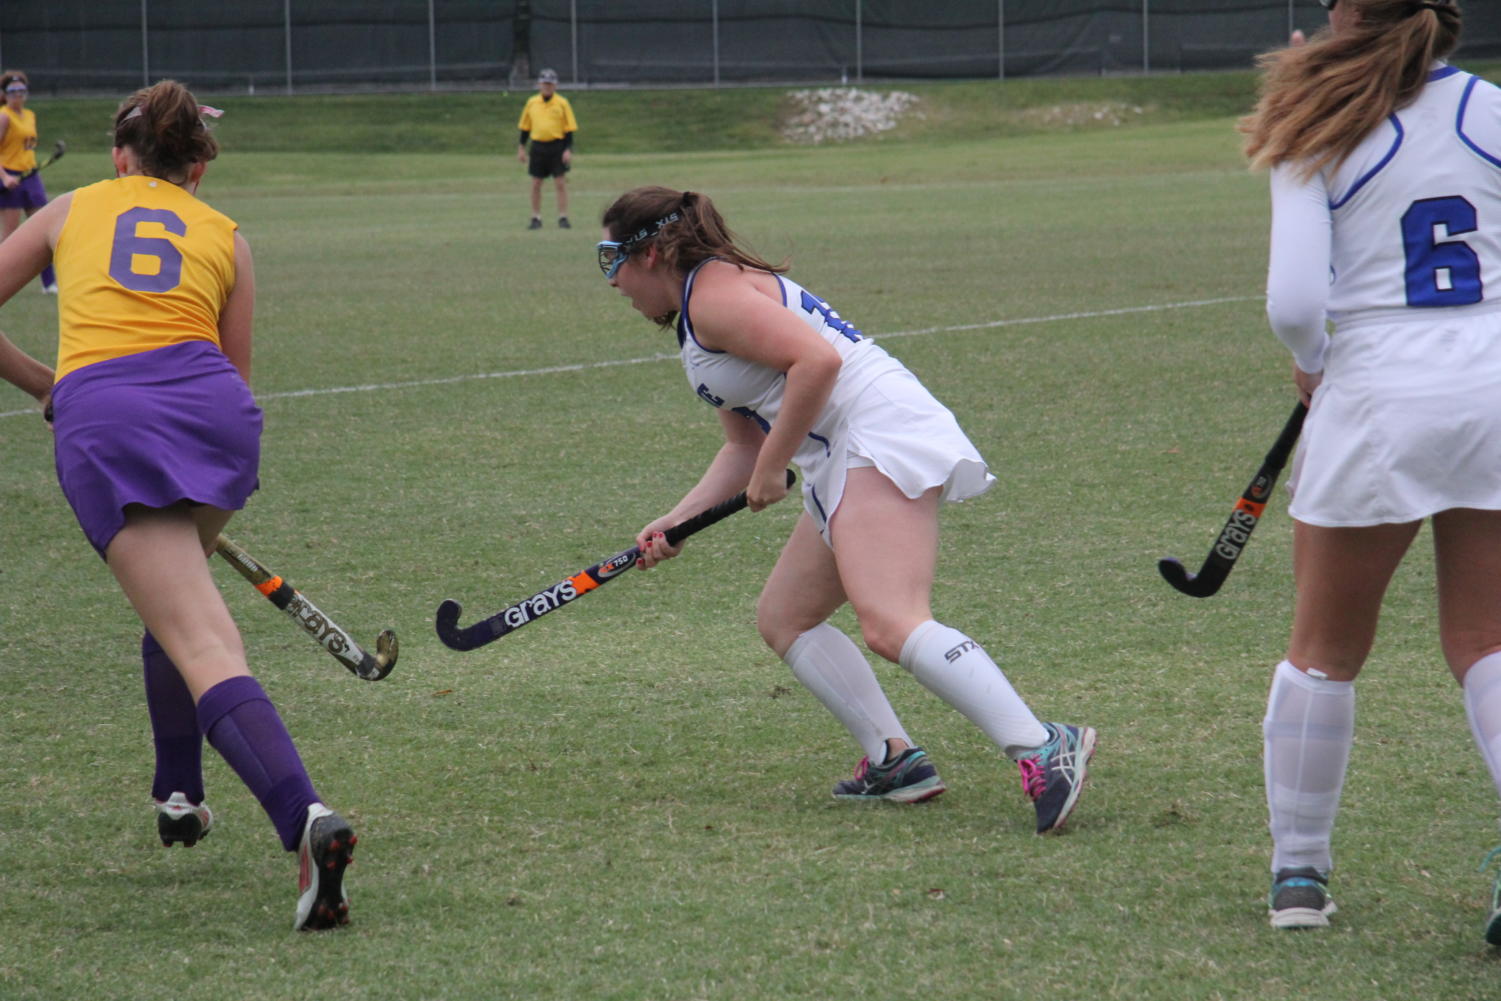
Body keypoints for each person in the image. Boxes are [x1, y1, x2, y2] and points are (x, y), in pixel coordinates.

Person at [597, 186, 1096, 833]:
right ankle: (894, 759)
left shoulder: (713, 297)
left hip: (874, 433)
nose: (611, 283)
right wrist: (676, 518)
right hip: (841, 451)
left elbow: (817, 360)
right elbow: (742, 445)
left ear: (653, 251)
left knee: (890, 622)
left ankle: (1041, 745)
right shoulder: (701, 309)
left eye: (612, 261)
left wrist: (778, 464)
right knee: (785, 617)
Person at [0, 80, 358, 931]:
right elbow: (236, 376)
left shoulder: (68, 211)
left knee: (196, 632)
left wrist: (48, 384)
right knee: (180, 601)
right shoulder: (227, 237)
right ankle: (179, 793)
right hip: (218, 420)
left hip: (109, 418)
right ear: (197, 167)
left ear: (120, 157)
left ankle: (304, 817)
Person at [1239, 0, 1501, 939]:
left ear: (1346, 16)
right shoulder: (1489, 106)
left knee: (1323, 648)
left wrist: (1313, 359)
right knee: (1485, 640)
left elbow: (1294, 300)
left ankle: (1297, 874)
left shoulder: (1317, 116)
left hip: (1380, 388)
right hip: (1494, 380)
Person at [0, 70, 59, 293]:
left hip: (30, 177)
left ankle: (49, 283)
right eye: (13, 92)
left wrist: (33, 172)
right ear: (5, 94)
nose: (18, 95)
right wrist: (5, 176)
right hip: (9, 178)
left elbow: (26, 149)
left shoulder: (30, 115)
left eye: (22, 91)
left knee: (46, 230)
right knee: (10, 237)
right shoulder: (4, 116)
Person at [516, 68, 577, 230]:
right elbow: (525, 127)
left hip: (557, 146)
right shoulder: (532, 102)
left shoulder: (562, 103)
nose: (547, 87)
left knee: (560, 183)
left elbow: (569, 128)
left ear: (555, 85)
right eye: (544, 84)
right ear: (539, 85)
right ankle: (536, 217)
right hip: (538, 147)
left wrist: (568, 149)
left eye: (550, 84)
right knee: (536, 183)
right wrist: (521, 147)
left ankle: (563, 216)